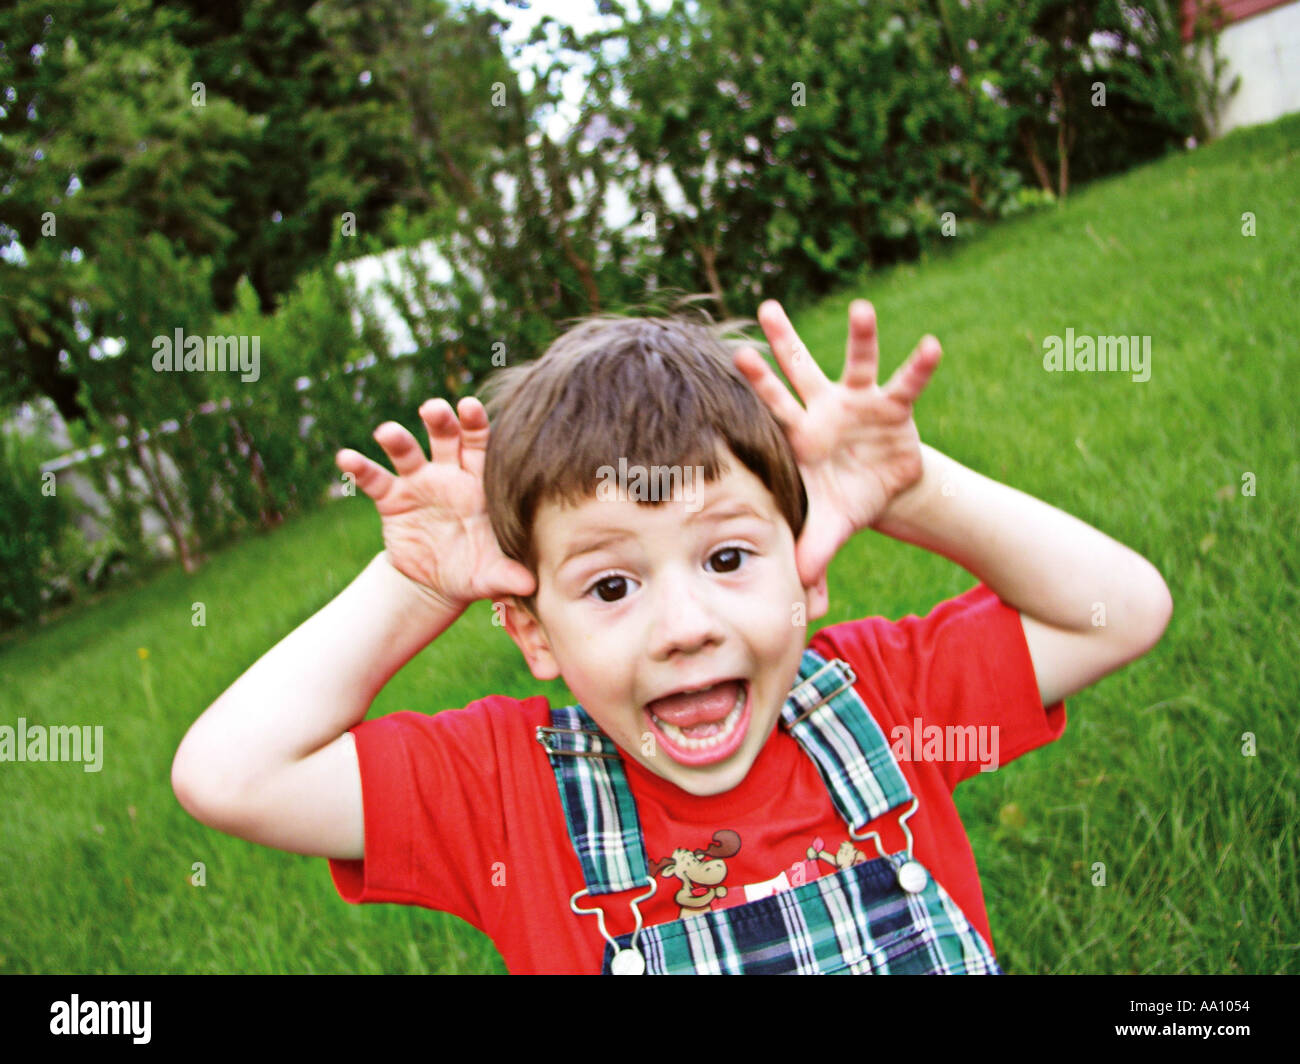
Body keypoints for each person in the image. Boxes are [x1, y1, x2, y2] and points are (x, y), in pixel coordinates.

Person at [171, 298, 1172, 974]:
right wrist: (413, 583)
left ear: (804, 566)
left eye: (729, 559)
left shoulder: (887, 697)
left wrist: (910, 488)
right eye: (610, 583)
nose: (684, 627)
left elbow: (1121, 609)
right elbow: (231, 773)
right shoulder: (504, 794)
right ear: (532, 629)